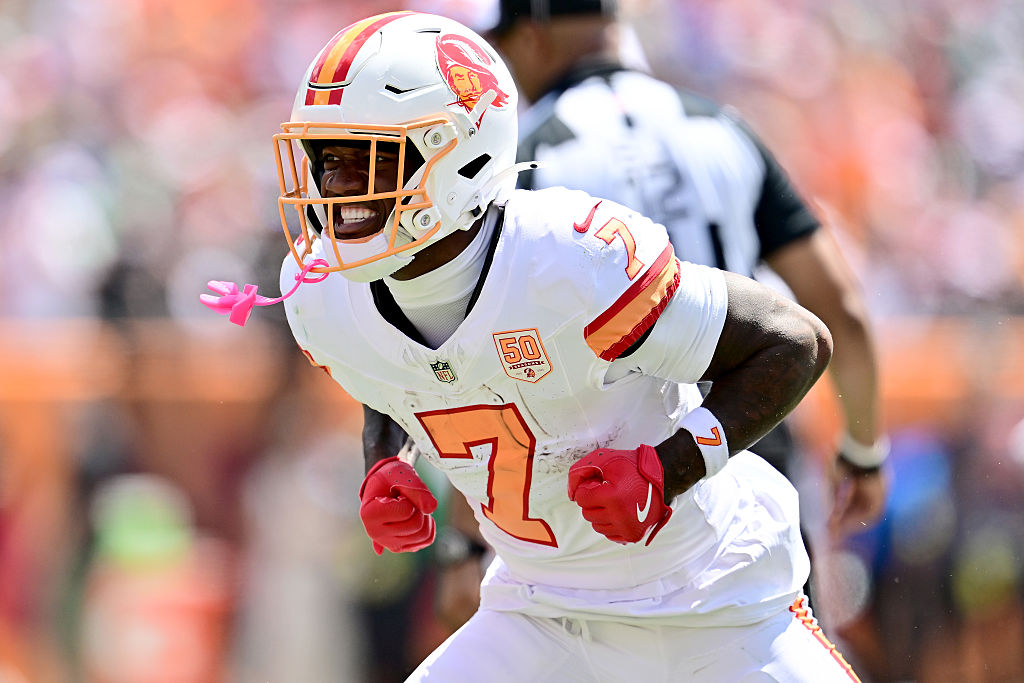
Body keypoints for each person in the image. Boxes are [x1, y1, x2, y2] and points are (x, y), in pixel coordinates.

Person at [207, 10, 860, 680]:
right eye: (327, 159)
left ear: (459, 152)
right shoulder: (322, 292)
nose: (338, 188)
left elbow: (795, 340)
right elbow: (389, 369)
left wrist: (670, 468)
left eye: (369, 158)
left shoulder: (568, 259)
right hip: (543, 611)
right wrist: (386, 460)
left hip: (716, 602)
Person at [426, 0, 890, 605]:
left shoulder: (528, 157)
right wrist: (862, 451)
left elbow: (483, 362)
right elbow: (840, 308)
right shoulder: (723, 128)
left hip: (609, 484)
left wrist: (465, 546)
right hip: (745, 443)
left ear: (532, 36)